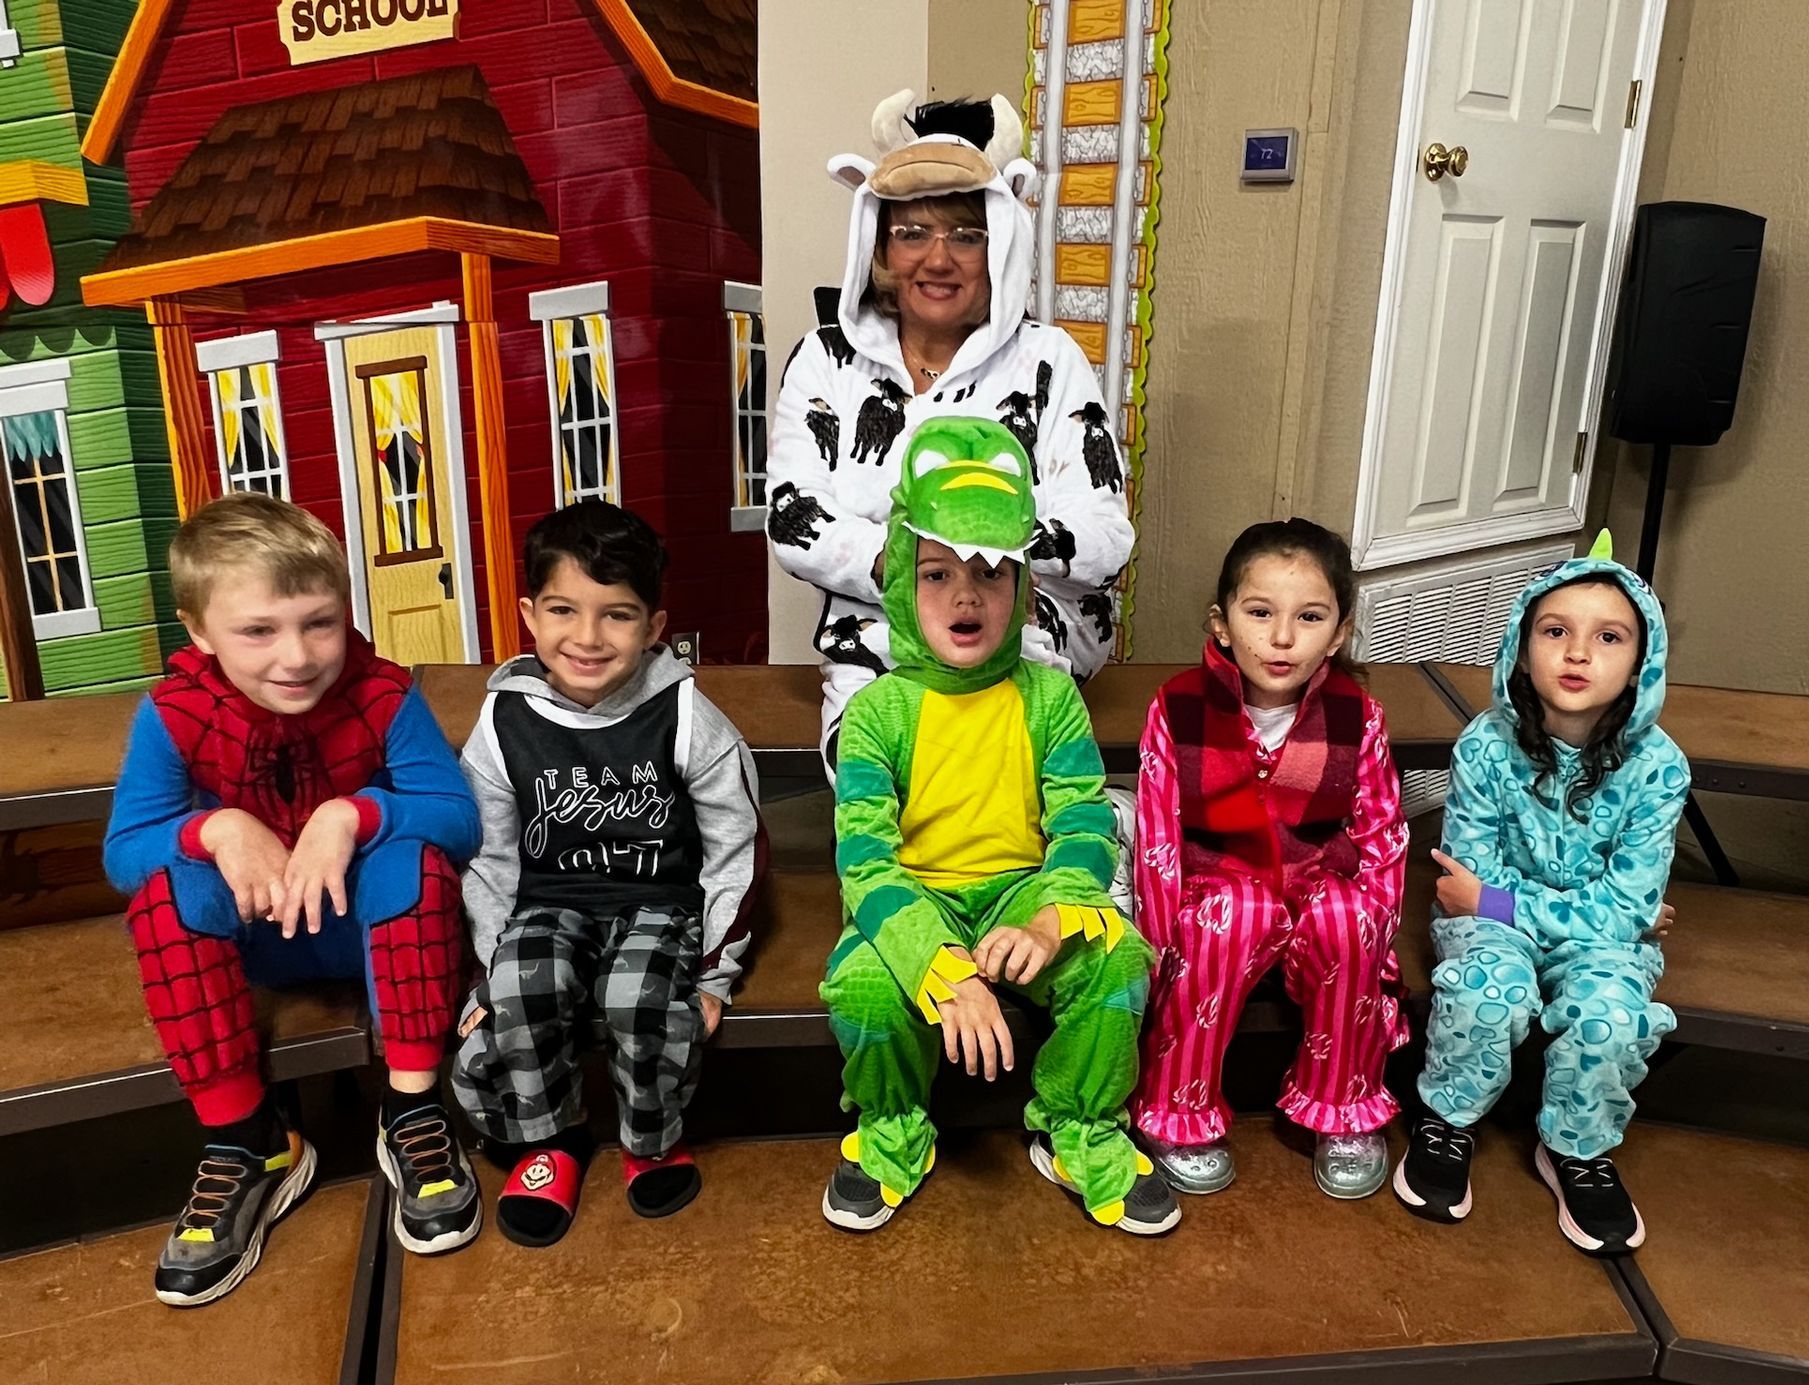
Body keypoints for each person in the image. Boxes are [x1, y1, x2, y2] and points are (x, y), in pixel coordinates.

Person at [103, 492, 483, 1306]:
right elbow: (124, 853)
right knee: (166, 892)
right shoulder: (173, 717)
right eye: (258, 631)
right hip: (255, 936)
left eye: (320, 622)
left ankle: (411, 1111)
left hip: (368, 928)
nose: (299, 655)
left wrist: (352, 813)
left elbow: (459, 818)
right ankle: (249, 1143)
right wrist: (214, 830)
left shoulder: (384, 696)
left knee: (414, 856)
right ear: (199, 633)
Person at [818, 416, 1177, 1237]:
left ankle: (1076, 1124)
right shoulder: (877, 713)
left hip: (1025, 893)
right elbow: (866, 865)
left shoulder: (1050, 697)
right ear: (905, 584)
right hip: (916, 904)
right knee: (868, 990)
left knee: (1119, 960)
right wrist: (939, 969)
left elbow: (1083, 821)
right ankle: (892, 1124)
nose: (966, 595)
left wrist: (1056, 915)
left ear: (1023, 589)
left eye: (991, 573)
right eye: (938, 573)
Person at [767, 89, 1135, 768]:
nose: (938, 259)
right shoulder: (825, 360)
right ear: (878, 244)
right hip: (876, 639)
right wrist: (920, 574)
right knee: (883, 787)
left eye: (966, 234)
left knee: (1013, 797)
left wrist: (989, 567)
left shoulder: (1049, 361)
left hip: (1025, 632)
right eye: (913, 232)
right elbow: (795, 519)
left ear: (1001, 245)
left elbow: (1105, 531)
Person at [452, 502, 764, 1244]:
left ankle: (651, 1139)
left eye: (617, 616)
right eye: (564, 610)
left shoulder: (687, 717)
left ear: (655, 626)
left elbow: (736, 847)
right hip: (547, 904)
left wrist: (715, 975)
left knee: (637, 994)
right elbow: (488, 859)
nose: (587, 638)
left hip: (660, 904)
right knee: (526, 982)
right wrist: (487, 977)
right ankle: (549, 1140)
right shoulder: (503, 722)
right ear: (530, 614)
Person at [1393, 534, 1688, 1256]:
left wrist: (1501, 902)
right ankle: (1448, 1118)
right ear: (1523, 650)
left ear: (1640, 661)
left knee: (1609, 1017)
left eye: (1608, 637)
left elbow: (1606, 907)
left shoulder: (1660, 769)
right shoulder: (1486, 747)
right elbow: (1463, 881)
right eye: (1556, 632)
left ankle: (1575, 1149)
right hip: (1503, 933)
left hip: (1590, 943)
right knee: (1485, 992)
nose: (1579, 654)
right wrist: (1584, 913)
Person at [1130, 521, 1410, 1201]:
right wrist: (1160, 946)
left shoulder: (1357, 718)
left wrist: (1377, 932)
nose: (1282, 639)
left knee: (1352, 916)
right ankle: (1179, 1108)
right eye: (1260, 614)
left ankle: (1342, 1104)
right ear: (1223, 624)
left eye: (1309, 618)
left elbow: (1382, 836)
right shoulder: (1178, 709)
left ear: (1338, 633)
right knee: (1232, 915)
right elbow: (1159, 833)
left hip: (1317, 891)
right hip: (1218, 892)